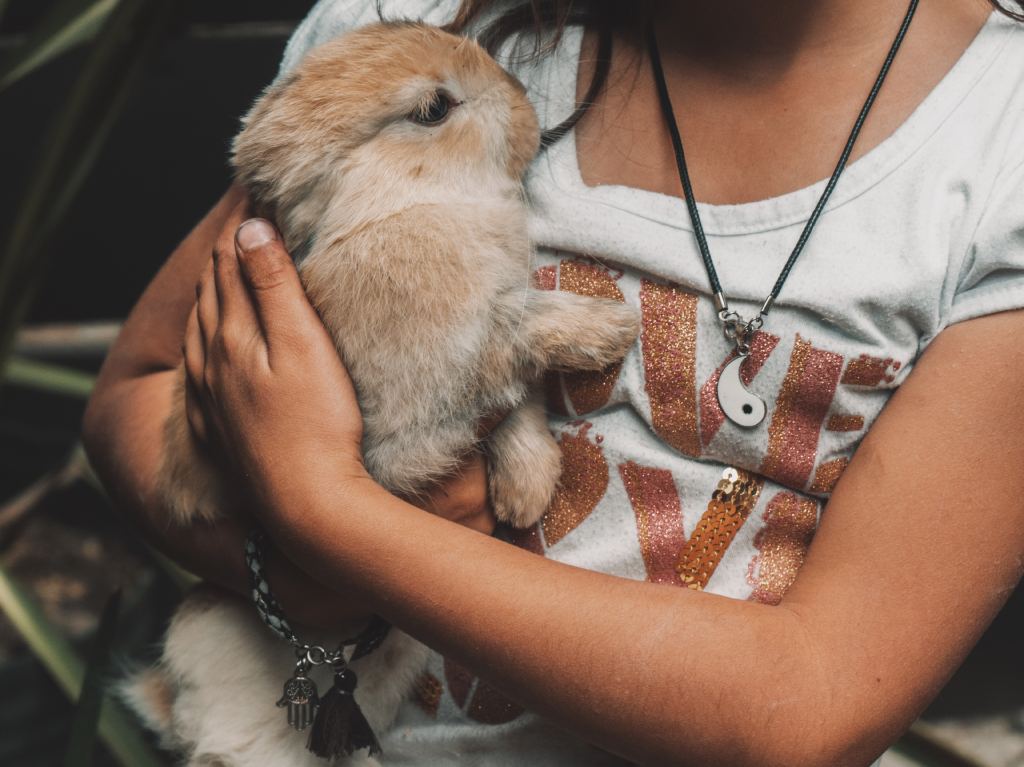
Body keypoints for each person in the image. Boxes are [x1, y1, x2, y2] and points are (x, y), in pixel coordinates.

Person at [82, 0, 1024, 764]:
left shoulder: (998, 154)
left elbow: (806, 705)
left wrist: (323, 513)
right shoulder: (418, 33)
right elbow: (139, 389)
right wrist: (296, 575)